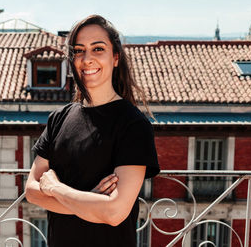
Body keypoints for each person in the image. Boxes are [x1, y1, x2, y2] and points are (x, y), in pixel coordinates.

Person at [25, 15, 160, 247]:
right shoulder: (58, 118)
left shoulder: (133, 125)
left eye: (98, 49)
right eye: (79, 50)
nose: (87, 59)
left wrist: (56, 189)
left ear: (115, 57)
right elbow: (32, 190)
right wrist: (92, 200)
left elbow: (115, 212)